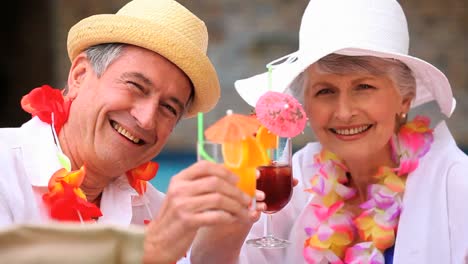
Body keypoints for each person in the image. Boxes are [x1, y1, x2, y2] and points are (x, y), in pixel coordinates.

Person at [191, 0, 468, 263]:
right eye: (325, 91)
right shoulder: (299, 175)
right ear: (305, 105)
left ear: (404, 98)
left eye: (364, 87)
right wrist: (228, 220)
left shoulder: (456, 183)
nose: (344, 112)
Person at [0, 0, 256, 263]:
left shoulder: (160, 210)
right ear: (79, 75)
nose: (146, 120)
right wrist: (150, 254)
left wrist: (217, 249)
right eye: (136, 86)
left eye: (168, 108)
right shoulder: (4, 168)